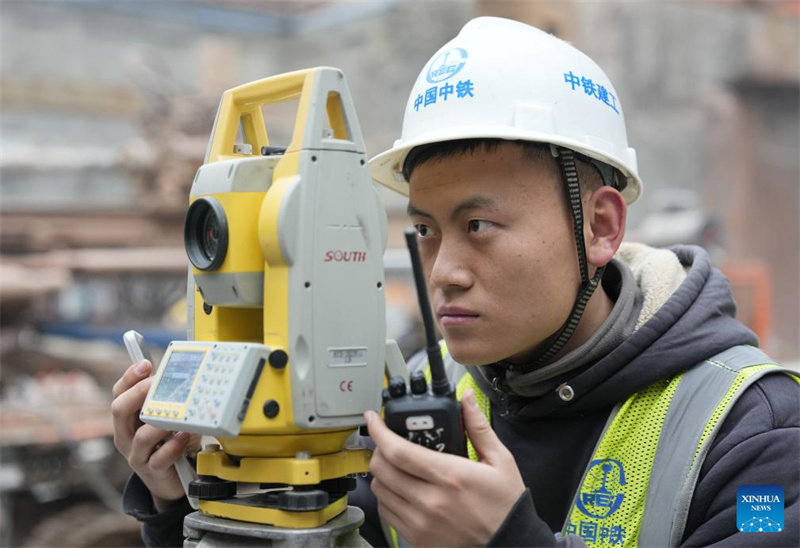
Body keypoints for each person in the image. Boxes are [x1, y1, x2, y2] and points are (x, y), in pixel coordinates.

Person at [113, 17, 799, 547]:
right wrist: (182, 504)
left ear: (600, 227)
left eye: (478, 227)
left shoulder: (752, 431)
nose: (443, 272)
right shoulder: (416, 398)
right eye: (428, 231)